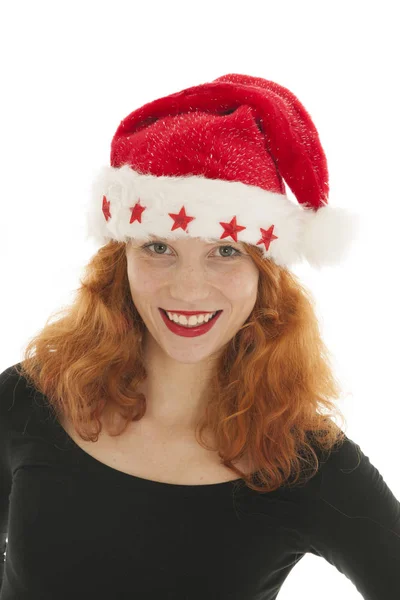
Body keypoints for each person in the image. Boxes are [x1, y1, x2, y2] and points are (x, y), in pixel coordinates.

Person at [0, 73, 399, 599]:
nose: (188, 288)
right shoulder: (29, 401)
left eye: (226, 252)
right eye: (158, 249)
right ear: (119, 262)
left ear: (267, 275)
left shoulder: (305, 463)